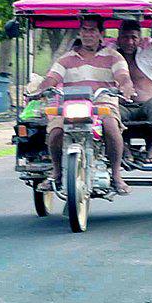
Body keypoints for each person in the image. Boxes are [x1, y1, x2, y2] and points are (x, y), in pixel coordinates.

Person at [32, 16, 136, 194]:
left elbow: (123, 77)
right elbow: (51, 78)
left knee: (111, 126)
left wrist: (126, 86)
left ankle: (117, 176)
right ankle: (56, 172)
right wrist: (40, 90)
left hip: (103, 104)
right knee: (55, 131)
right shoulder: (66, 58)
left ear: (101, 34)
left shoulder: (113, 57)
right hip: (71, 105)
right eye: (85, 30)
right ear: (79, 32)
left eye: (93, 30)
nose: (88, 34)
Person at [114, 20, 152, 161]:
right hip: (122, 107)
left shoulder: (147, 54)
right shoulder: (110, 57)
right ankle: (124, 150)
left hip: (146, 105)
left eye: (133, 38)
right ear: (119, 39)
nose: (129, 42)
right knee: (109, 110)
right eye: (125, 37)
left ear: (139, 40)